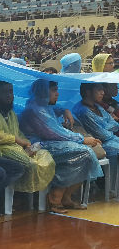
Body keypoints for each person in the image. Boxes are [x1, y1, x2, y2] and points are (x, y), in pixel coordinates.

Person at [20, 80, 103, 212]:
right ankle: (55, 197)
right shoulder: (34, 110)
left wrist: (65, 110)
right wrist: (81, 139)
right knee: (83, 153)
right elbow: (52, 133)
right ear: (43, 92)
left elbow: (56, 109)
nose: (57, 94)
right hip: (37, 146)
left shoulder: (43, 105)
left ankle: (66, 197)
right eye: (54, 90)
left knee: (84, 154)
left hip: (51, 143)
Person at [0, 81, 55, 198]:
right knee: (30, 164)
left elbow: (19, 134)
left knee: (44, 156)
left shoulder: (11, 114)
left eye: (11, 92)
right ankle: (18, 197)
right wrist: (16, 140)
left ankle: (35, 199)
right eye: (4, 92)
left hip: (15, 148)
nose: (9, 95)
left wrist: (27, 145)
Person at [73, 83, 119, 158]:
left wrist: (104, 127)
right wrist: (108, 126)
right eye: (99, 90)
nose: (103, 93)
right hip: (101, 144)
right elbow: (102, 135)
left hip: (112, 140)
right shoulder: (83, 111)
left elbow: (116, 125)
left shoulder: (97, 106)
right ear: (88, 92)